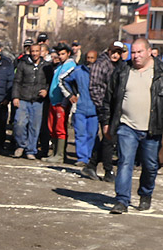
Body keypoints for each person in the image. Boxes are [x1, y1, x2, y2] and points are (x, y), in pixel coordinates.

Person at [104, 38, 162, 214]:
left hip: (152, 128)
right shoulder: (122, 70)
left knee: (150, 165)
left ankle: (145, 194)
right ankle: (122, 200)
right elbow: (109, 98)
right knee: (124, 162)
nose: (136, 56)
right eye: (133, 53)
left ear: (149, 51)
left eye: (139, 52)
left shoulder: (160, 72)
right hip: (126, 125)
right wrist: (106, 123)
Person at [83, 43, 124, 181]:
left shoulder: (120, 65)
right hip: (105, 107)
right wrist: (103, 106)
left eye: (119, 52)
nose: (116, 55)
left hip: (117, 107)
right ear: (109, 50)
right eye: (114, 51)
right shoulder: (100, 64)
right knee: (109, 137)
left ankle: (92, 165)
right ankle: (108, 170)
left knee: (110, 138)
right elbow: (94, 87)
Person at [59, 52, 98, 167]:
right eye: (88, 58)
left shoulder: (100, 71)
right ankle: (82, 158)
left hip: (95, 108)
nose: (90, 60)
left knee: (92, 134)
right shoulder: (78, 70)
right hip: (79, 108)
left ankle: (90, 157)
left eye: (92, 58)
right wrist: (70, 95)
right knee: (80, 134)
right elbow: (63, 80)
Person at [12, 42, 49, 159]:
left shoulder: (46, 65)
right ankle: (21, 145)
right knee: (19, 123)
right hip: (23, 98)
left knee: (35, 126)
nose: (34, 54)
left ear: (40, 52)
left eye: (37, 51)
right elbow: (17, 81)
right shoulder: (23, 64)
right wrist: (15, 96)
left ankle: (31, 150)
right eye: (32, 51)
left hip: (38, 101)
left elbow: (50, 81)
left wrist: (46, 91)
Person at [46, 43, 76, 164]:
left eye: (63, 54)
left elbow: (69, 84)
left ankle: (60, 154)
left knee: (60, 128)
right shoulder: (59, 66)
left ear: (68, 54)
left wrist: (66, 101)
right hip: (53, 101)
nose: (60, 56)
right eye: (59, 54)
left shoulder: (70, 65)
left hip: (62, 102)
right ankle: (54, 152)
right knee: (52, 127)